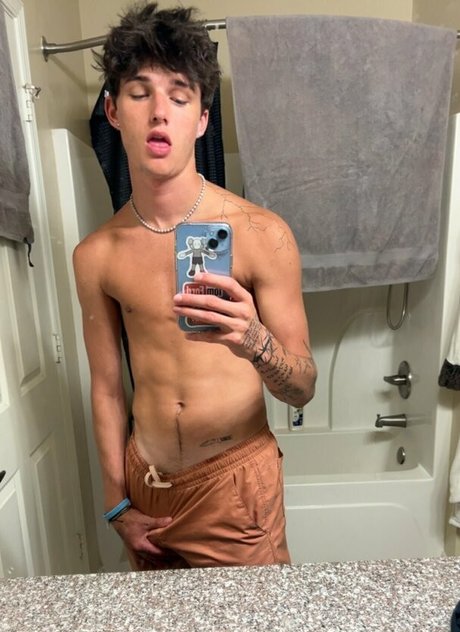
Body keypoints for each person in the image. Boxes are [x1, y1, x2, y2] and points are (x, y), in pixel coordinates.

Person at [73, 1, 317, 571]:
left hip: (234, 487)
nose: (160, 113)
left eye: (180, 97)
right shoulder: (96, 254)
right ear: (113, 111)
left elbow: (303, 388)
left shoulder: (261, 234)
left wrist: (254, 341)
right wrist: (116, 504)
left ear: (202, 119)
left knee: (255, 628)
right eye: (140, 94)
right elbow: (107, 391)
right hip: (146, 489)